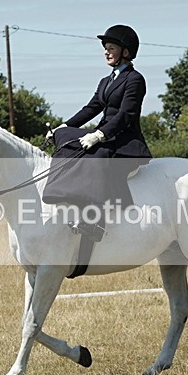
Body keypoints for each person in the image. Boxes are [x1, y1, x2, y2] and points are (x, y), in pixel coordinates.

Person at [43, 25, 152, 242]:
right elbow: (90, 109)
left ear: (126, 52)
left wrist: (99, 135)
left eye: (111, 48)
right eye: (105, 48)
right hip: (106, 136)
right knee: (67, 139)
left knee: (97, 156)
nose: (106, 52)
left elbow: (126, 115)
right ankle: (62, 195)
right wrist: (62, 126)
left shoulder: (135, 79)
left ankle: (96, 222)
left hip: (124, 141)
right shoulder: (106, 81)